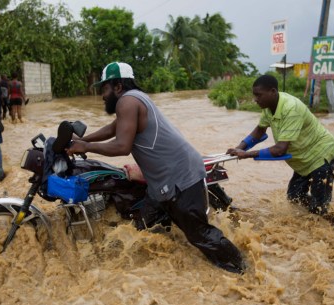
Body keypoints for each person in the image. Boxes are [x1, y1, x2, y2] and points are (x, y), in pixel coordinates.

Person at [67, 62, 245, 274]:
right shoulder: (135, 99)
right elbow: (113, 129)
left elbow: (122, 146)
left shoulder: (127, 101)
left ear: (117, 87)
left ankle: (242, 269)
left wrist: (86, 146)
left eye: (104, 88)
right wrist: (83, 140)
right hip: (165, 180)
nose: (102, 95)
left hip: (179, 177)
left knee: (199, 234)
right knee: (144, 225)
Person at [227, 74, 334, 216]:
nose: (255, 99)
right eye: (254, 95)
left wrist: (247, 154)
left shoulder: (291, 109)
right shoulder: (268, 107)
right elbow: (260, 130)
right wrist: (239, 148)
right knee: (294, 197)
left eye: (258, 95)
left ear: (272, 92)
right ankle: (326, 209)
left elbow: (280, 149)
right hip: (302, 159)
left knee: (319, 210)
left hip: (321, 154)